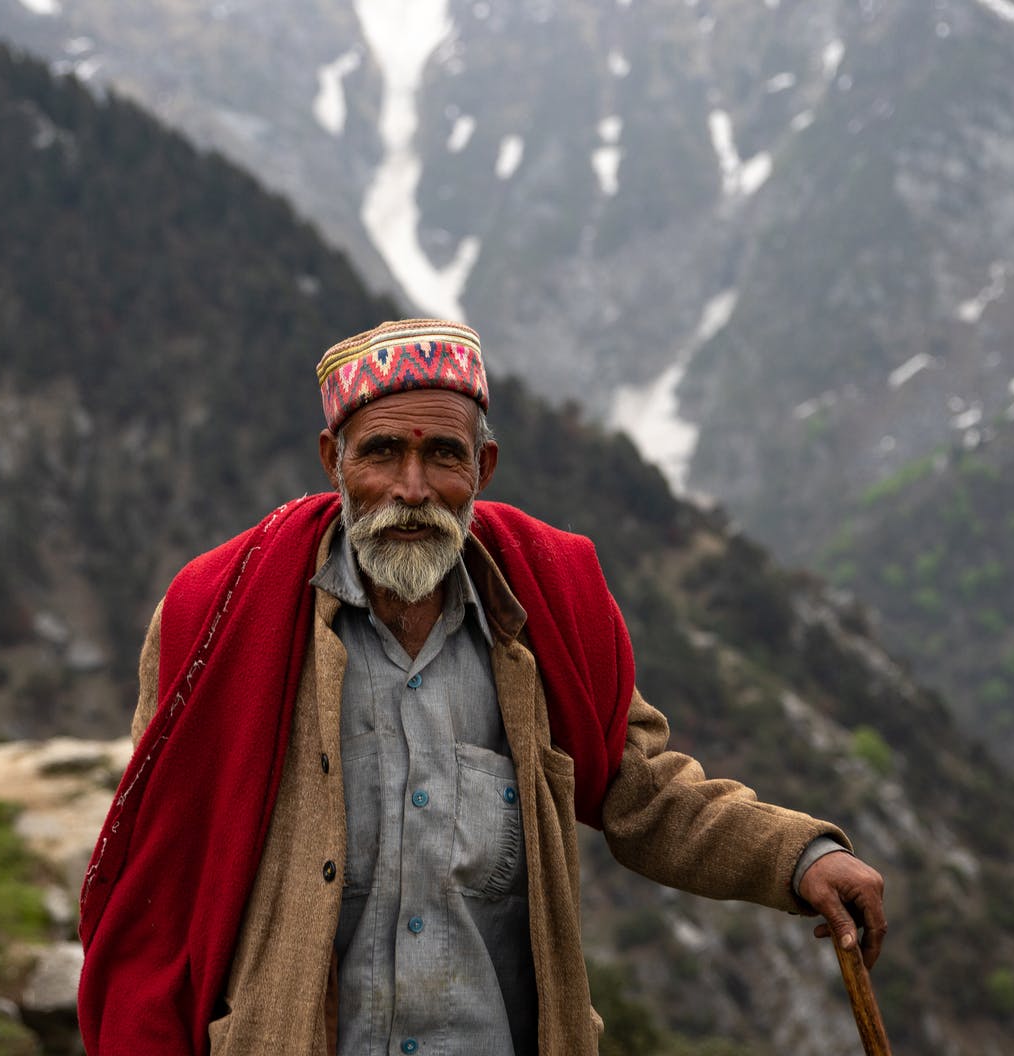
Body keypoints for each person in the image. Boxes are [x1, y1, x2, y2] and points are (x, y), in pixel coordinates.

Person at [77, 319, 886, 1055]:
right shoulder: (223, 619)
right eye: (382, 452)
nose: (413, 489)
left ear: (483, 467)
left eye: (444, 456)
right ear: (334, 461)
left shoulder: (544, 616)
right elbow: (164, 872)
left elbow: (641, 792)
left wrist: (798, 857)